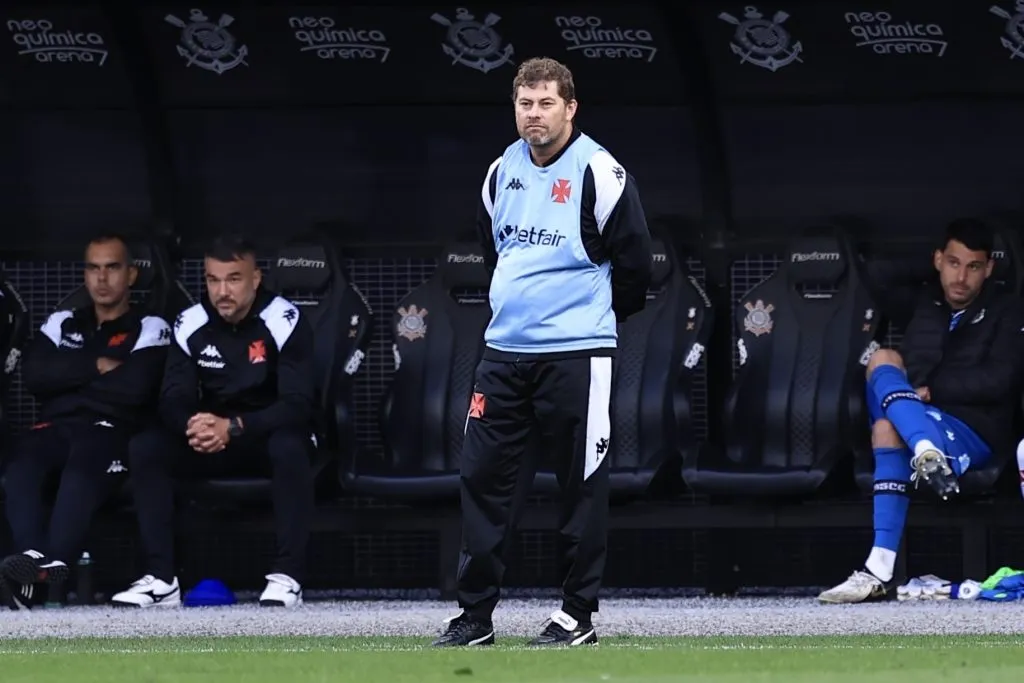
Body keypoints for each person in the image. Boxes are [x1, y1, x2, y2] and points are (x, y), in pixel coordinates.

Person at [432, 57, 653, 647]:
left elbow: (636, 265)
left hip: (578, 355)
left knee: (580, 485)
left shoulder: (600, 172)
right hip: (503, 355)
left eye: (546, 103)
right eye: (525, 103)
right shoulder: (500, 169)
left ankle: (576, 614)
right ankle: (475, 618)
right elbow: (493, 251)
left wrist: (593, 318)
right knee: (481, 481)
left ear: (570, 108)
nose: (534, 114)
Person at [819, 219, 1024, 604]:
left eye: (973, 267)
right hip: (919, 419)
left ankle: (879, 568)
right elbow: (874, 274)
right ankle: (924, 452)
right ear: (937, 260)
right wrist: (931, 268)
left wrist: (935, 391)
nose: (961, 277)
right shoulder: (923, 299)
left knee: (886, 426)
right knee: (883, 358)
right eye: (952, 263)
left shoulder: (1006, 309)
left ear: (990, 269)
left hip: (972, 428)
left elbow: (1002, 380)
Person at [111, 235, 316, 609]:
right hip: (209, 439)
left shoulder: (285, 320)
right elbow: (172, 397)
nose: (222, 291)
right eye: (212, 280)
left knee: (290, 445)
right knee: (146, 447)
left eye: (234, 279)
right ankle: (162, 579)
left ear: (256, 279)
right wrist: (195, 424)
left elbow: (297, 404)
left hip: (263, 436)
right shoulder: (190, 322)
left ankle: (289, 576)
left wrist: (234, 427)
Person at [0, 234, 170, 608]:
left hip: (110, 430)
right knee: (22, 463)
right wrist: (96, 367)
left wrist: (68, 384)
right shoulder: (63, 321)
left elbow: (135, 389)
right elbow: (34, 376)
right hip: (55, 429)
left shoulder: (150, 325)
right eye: (93, 268)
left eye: (112, 267)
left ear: (131, 275)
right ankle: (30, 557)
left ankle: (53, 562)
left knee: (83, 464)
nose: (102, 278)